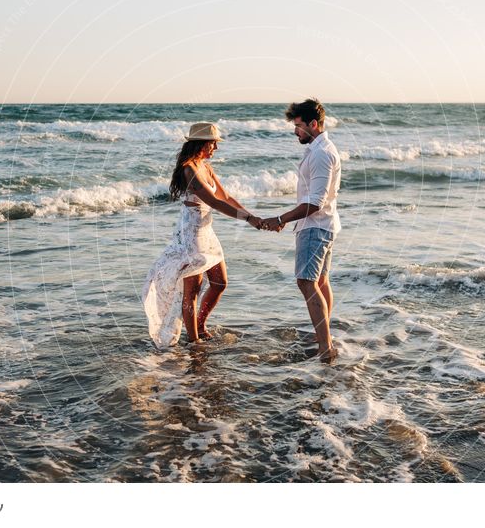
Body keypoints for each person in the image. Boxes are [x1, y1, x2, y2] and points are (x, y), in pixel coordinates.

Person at [142, 122, 262, 348]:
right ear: (202, 143)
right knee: (193, 289)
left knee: (219, 282)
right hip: (192, 236)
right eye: (213, 143)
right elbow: (214, 202)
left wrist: (252, 216)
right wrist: (247, 219)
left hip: (207, 233)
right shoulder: (189, 169)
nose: (216, 148)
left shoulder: (206, 167)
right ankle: (194, 339)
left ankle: (199, 323)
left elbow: (225, 196)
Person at [261, 99, 342, 362]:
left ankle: (325, 347)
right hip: (324, 225)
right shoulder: (319, 149)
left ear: (313, 124)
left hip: (316, 226)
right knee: (320, 282)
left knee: (306, 282)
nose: (295, 131)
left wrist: (280, 218)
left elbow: (314, 202)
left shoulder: (320, 153)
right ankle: (324, 338)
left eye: (298, 126)